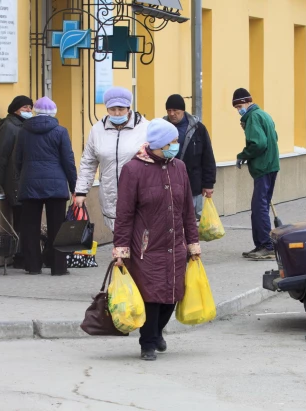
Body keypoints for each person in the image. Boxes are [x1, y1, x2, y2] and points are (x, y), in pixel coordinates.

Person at [113, 118, 201, 361]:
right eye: (171, 142)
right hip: (146, 245)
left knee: (172, 294)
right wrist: (120, 249)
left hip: (175, 243)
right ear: (158, 144)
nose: (176, 145)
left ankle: (158, 331)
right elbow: (124, 213)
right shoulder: (133, 170)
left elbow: (187, 210)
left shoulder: (179, 167)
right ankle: (147, 343)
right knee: (151, 296)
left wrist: (193, 243)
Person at [15, 97, 77, 275]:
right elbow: (68, 161)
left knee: (30, 226)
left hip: (30, 183)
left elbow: (17, 159)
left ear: (34, 112)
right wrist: (75, 187)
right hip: (56, 185)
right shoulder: (60, 131)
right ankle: (58, 267)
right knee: (57, 226)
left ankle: (33, 266)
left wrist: (24, 176)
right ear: (54, 113)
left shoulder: (23, 131)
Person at [75, 87, 148, 232]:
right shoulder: (97, 130)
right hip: (110, 192)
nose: (116, 113)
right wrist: (81, 192)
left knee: (139, 237)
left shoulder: (145, 128)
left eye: (121, 109)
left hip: (139, 191)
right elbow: (88, 162)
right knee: (119, 237)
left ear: (129, 107)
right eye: (112, 109)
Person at [232, 88, 280, 260]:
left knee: (258, 207)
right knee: (262, 206)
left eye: (240, 105)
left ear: (248, 101)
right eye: (236, 107)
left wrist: (243, 155)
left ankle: (266, 246)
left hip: (263, 167)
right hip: (271, 165)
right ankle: (262, 244)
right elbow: (274, 136)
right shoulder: (264, 115)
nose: (239, 109)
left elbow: (258, 143)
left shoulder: (253, 117)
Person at [0, 95, 33, 269]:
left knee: (25, 219)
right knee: (21, 219)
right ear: (15, 109)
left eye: (30, 108)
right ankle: (19, 255)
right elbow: (0, 155)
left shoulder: (24, 126)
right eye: (25, 108)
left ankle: (23, 254)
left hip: (24, 180)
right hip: (15, 181)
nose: (29, 111)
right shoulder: (9, 127)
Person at [164, 94, 216, 220]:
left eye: (176, 111)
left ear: (183, 111)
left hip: (191, 182)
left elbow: (207, 156)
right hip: (166, 181)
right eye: (169, 110)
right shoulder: (161, 127)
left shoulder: (198, 128)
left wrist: (208, 184)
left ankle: (188, 240)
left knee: (189, 217)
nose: (172, 114)